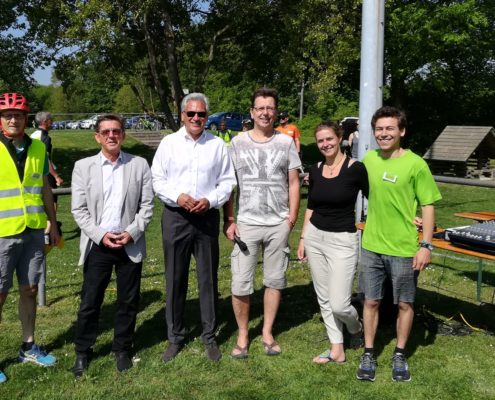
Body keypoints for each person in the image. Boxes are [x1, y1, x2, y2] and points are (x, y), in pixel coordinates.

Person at [356, 106, 442, 382]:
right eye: (379, 129)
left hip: (405, 248)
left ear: (401, 131)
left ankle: (400, 353)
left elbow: (428, 205)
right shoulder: (369, 159)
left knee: (405, 303)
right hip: (372, 245)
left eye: (389, 128)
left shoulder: (416, 164)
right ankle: (369, 352)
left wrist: (425, 245)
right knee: (370, 301)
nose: (383, 134)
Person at [151, 93, 236, 363]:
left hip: (206, 217)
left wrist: (210, 200)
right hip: (176, 217)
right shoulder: (169, 143)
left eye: (201, 114)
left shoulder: (217, 145)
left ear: (207, 116)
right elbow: (157, 179)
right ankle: (175, 336)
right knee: (175, 277)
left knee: (208, 278)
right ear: (182, 116)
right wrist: (178, 197)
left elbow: (227, 181)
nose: (196, 118)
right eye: (191, 114)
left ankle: (209, 335)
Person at [71, 113, 154, 377]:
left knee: (128, 301)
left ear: (123, 135)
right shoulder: (83, 167)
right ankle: (83, 350)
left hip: (129, 243)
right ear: (97, 137)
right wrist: (100, 235)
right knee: (90, 301)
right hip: (99, 244)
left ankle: (122, 348)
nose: (111, 136)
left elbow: (147, 206)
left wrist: (132, 232)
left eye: (116, 131)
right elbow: (79, 210)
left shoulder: (139, 165)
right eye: (105, 132)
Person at [224, 87, 301, 359]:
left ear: (275, 112)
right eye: (260, 108)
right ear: (252, 111)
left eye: (270, 108)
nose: (265, 113)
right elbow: (229, 185)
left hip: (278, 223)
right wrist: (229, 219)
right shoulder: (237, 143)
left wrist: (292, 218)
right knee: (240, 283)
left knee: (274, 280)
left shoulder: (286, 143)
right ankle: (243, 334)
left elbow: (294, 182)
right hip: (246, 223)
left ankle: (267, 332)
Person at [0, 93, 60, 384]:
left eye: (19, 115)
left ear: (26, 118)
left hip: (33, 231)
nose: (14, 119)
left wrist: (53, 223)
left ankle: (28, 346)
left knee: (30, 289)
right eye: (8, 115)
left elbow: (45, 187)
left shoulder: (38, 147)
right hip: (2, 233)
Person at [297, 121, 368, 364]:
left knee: (340, 304)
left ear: (339, 138)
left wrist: (407, 216)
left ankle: (356, 327)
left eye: (329, 139)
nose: (325, 144)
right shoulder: (315, 169)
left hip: (343, 240)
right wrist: (303, 238)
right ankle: (336, 347)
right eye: (320, 141)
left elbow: (376, 198)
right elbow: (311, 206)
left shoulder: (355, 168)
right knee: (324, 298)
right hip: (315, 237)